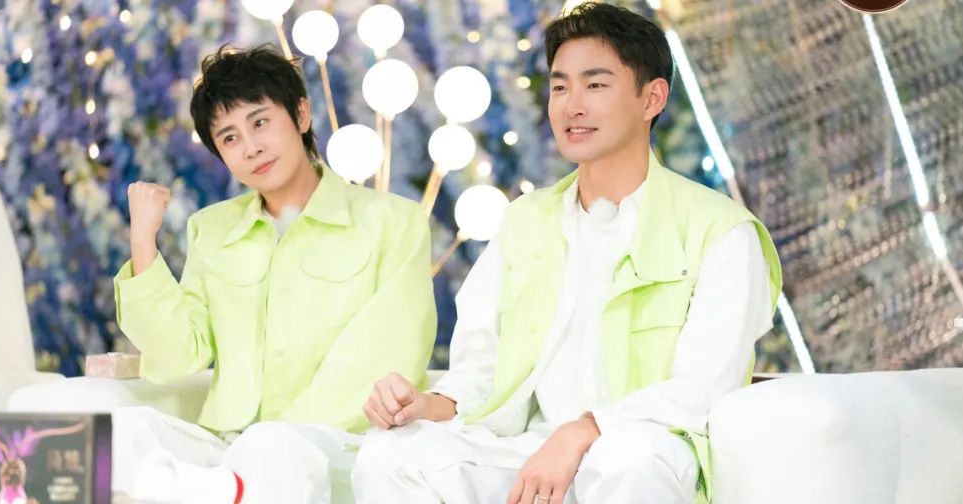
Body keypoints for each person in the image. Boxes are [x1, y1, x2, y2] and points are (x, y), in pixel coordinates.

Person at [351, 3, 782, 503]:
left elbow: (704, 388)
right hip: (528, 452)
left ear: (652, 98)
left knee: (630, 457)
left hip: (644, 450)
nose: (572, 105)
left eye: (595, 85)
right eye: (560, 87)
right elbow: (481, 373)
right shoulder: (526, 220)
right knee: (391, 452)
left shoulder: (721, 231)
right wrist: (427, 404)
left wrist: (586, 430)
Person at [112, 45, 435, 504]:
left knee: (272, 449)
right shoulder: (212, 230)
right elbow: (177, 355)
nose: (251, 147)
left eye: (260, 122)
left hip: (337, 445)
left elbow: (385, 352)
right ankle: (224, 489)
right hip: (228, 446)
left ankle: (214, 490)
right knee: (125, 431)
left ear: (301, 115)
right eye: (229, 138)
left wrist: (268, 443)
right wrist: (143, 239)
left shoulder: (393, 222)